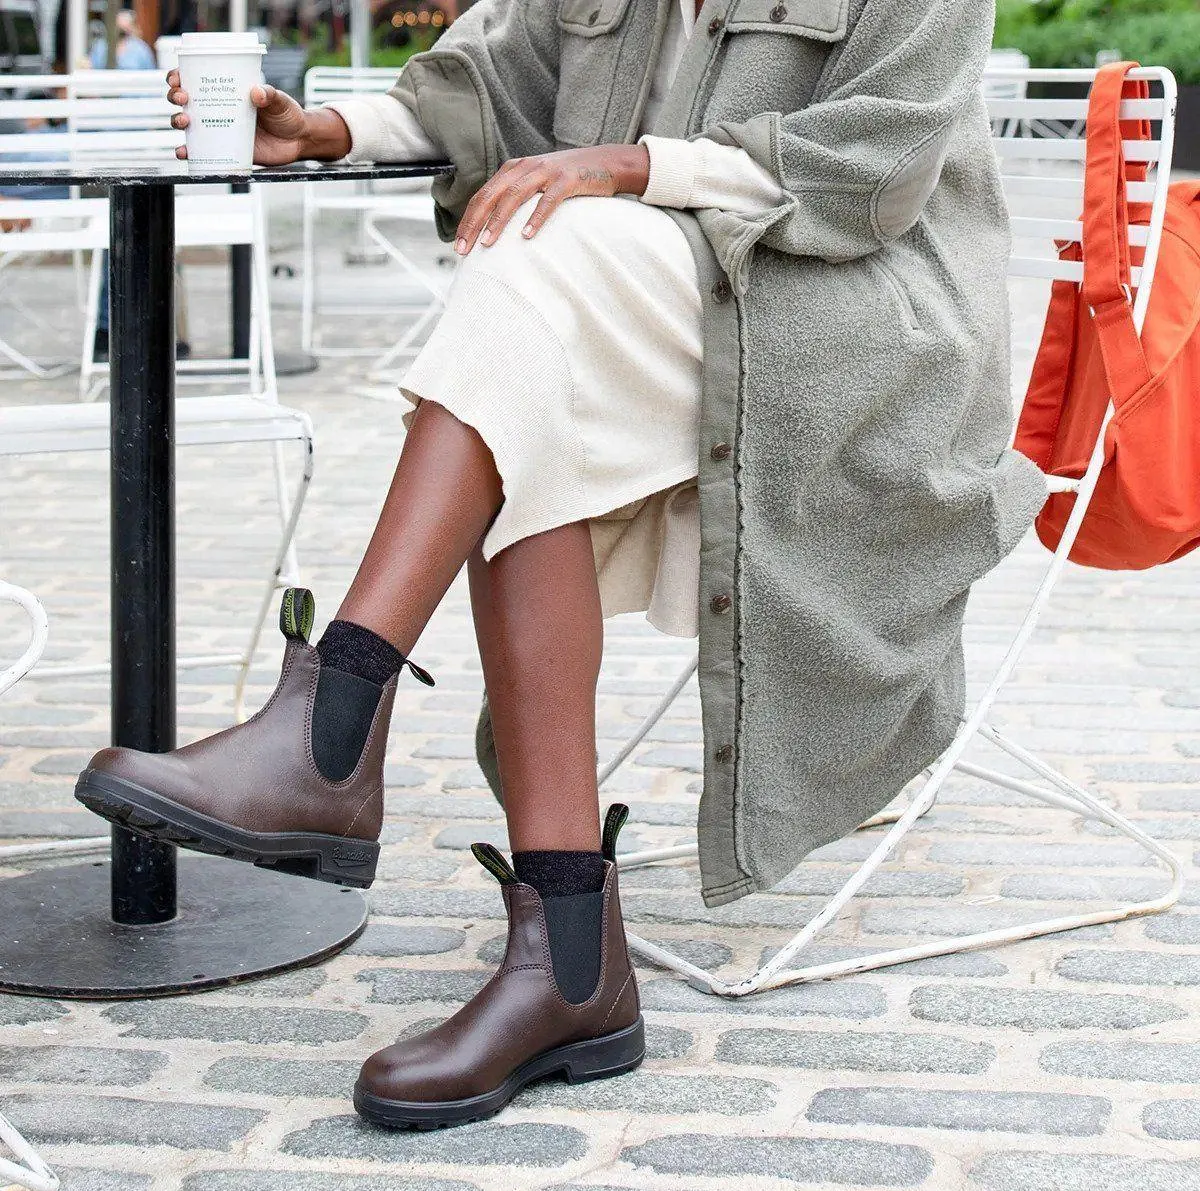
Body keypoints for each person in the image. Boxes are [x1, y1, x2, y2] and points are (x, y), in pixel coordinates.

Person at [74, 0, 1046, 1129]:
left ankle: (336, 735)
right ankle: (564, 964)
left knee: (548, 259)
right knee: (533, 349)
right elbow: (489, 82)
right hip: (646, 294)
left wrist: (630, 164)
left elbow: (875, 169)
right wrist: (329, 128)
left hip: (852, 318)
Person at [89, 10, 157, 71]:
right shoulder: (100, 46)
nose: (121, 31)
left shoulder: (141, 48)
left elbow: (150, 73)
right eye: (119, 28)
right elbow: (92, 69)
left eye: (125, 29)